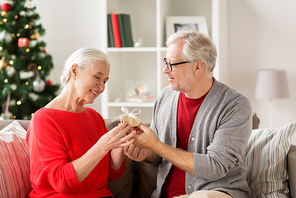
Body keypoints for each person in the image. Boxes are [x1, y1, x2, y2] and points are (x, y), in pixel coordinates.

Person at [124, 30, 253, 198]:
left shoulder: (235, 105)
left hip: (217, 193)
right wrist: (146, 151)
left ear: (198, 66)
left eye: (171, 64)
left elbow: (215, 167)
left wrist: (155, 145)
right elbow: (158, 155)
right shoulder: (165, 96)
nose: (165, 70)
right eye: (165, 62)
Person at [26, 47, 136, 198]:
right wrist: (103, 146)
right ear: (75, 71)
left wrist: (119, 146)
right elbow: (61, 181)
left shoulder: (95, 117)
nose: (102, 87)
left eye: (105, 81)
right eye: (97, 77)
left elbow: (112, 175)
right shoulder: (44, 119)